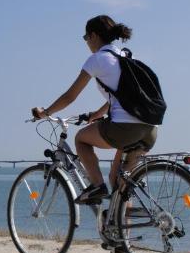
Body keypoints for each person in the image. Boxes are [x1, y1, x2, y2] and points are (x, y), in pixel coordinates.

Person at [31, 15, 159, 206]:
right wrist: (98, 114)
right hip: (150, 128)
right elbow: (122, 95)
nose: (86, 43)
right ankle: (120, 231)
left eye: (85, 38)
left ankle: (97, 186)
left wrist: (46, 112)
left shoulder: (97, 59)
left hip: (125, 128)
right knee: (120, 185)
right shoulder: (126, 57)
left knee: (80, 139)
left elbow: (70, 96)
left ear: (93, 36)